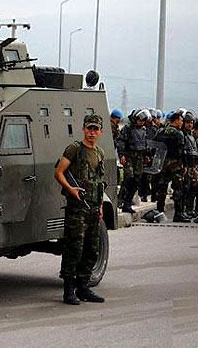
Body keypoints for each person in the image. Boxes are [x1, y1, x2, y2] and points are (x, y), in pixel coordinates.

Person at [54, 114, 106, 305]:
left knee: (92, 249)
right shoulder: (75, 149)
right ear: (83, 129)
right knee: (74, 248)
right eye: (89, 128)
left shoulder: (99, 153)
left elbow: (99, 182)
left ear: (100, 132)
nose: (92, 132)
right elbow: (59, 172)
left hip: (93, 208)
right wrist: (70, 189)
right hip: (77, 208)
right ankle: (68, 290)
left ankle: (83, 287)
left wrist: (100, 206)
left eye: (95, 129)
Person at [155, 110, 189, 222]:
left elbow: (155, 146)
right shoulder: (179, 134)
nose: (182, 123)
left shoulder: (161, 131)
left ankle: (159, 212)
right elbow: (182, 151)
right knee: (178, 188)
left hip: (163, 163)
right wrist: (185, 165)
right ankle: (178, 213)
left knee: (162, 188)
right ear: (176, 121)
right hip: (175, 164)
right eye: (181, 120)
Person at [116, 109, 149, 213]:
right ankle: (119, 200)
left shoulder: (144, 130)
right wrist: (121, 155)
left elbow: (145, 144)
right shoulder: (128, 129)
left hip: (139, 158)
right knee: (128, 178)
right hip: (129, 156)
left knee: (136, 181)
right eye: (140, 120)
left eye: (143, 121)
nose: (141, 122)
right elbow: (121, 141)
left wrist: (147, 155)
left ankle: (127, 203)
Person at [181, 112, 198, 218]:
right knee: (185, 188)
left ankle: (189, 209)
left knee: (193, 188)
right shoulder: (182, 135)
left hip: (194, 165)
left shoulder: (192, 136)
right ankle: (183, 209)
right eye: (188, 122)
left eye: (191, 123)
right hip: (186, 164)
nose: (190, 125)